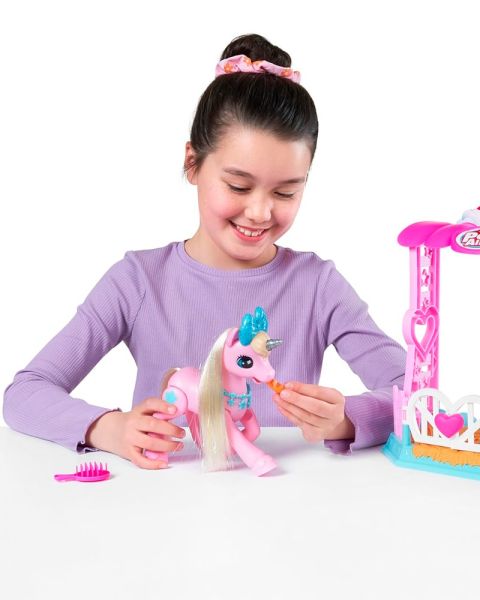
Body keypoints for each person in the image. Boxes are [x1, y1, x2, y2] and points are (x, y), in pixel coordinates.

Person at [3, 34, 406, 469]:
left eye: (286, 192)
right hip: (163, 499)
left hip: (288, 501)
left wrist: (346, 419)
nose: (260, 212)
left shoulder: (318, 285)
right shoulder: (138, 280)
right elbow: (25, 393)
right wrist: (110, 428)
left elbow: (417, 392)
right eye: (238, 186)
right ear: (192, 163)